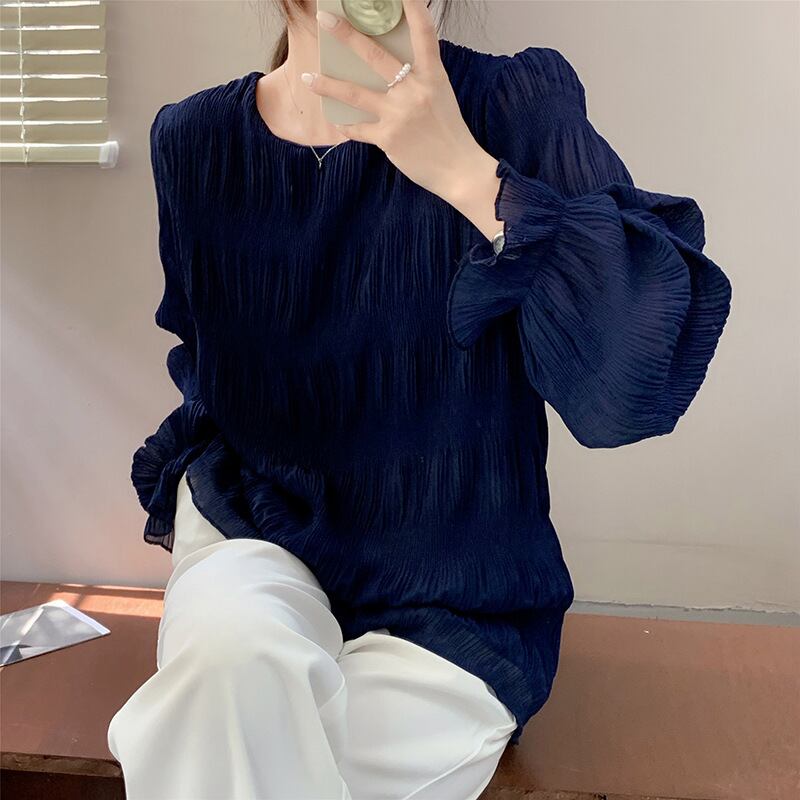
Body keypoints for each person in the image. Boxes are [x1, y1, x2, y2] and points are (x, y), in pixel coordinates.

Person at [107, 0, 733, 797]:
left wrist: (469, 175)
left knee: (228, 747)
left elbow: (628, 390)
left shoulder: (515, 106)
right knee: (231, 661)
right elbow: (207, 362)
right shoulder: (196, 143)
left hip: (459, 587)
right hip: (256, 532)